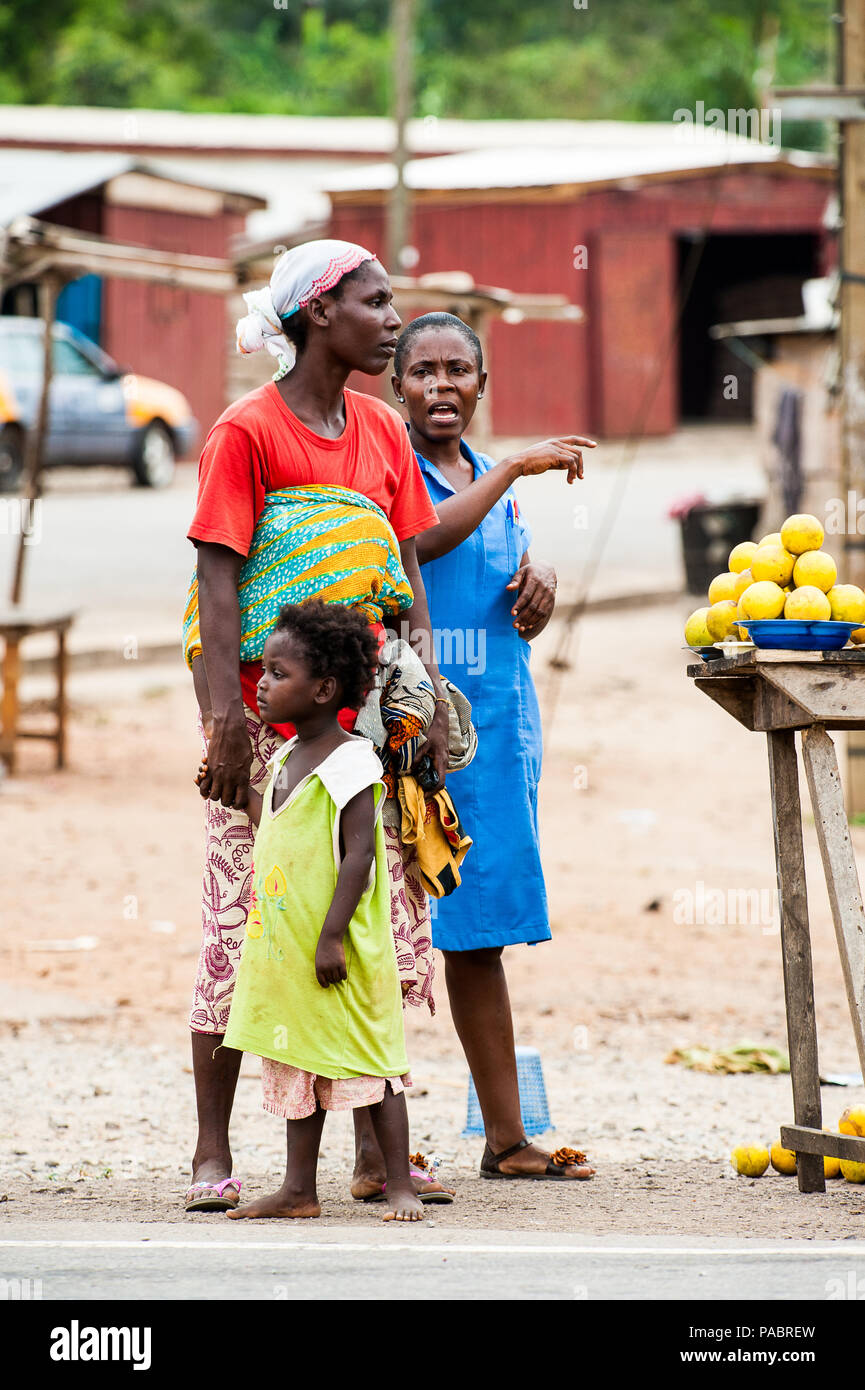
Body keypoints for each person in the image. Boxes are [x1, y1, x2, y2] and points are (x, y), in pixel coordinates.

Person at [184, 240, 453, 1212]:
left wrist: (417, 698)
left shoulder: (382, 432)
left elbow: (404, 577)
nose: (393, 319)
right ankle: (214, 1148)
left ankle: (379, 1152)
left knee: (371, 925)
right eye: (376, 304)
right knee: (243, 920)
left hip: (368, 729)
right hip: (265, 724)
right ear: (315, 314)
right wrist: (222, 721)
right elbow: (221, 585)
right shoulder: (246, 431)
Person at [391, 311, 598, 1180]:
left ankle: (505, 1140)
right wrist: (517, 462)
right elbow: (425, 538)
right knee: (382, 931)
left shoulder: (489, 479)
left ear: (483, 384)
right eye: (422, 372)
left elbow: (489, 572)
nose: (442, 386)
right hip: (413, 732)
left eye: (459, 371)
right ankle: (378, 1147)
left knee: (477, 936)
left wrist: (539, 579)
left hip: (498, 735)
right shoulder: (385, 467)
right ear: (394, 386)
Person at [206, 601, 423, 1223]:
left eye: (277, 673)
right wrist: (229, 790)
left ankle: (400, 1184)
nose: (264, 684)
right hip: (289, 941)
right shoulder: (282, 755)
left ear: (324, 689)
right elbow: (273, 819)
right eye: (264, 672)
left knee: (373, 1065)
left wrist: (332, 937)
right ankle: (299, 1189)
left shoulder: (352, 761)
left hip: (341, 945)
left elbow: (361, 857)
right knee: (299, 1060)